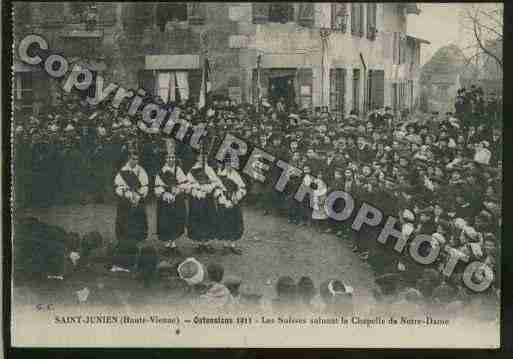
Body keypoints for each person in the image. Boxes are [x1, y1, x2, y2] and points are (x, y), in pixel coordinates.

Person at [112, 150, 149, 272]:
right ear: (128, 159)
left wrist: (138, 195)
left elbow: (145, 185)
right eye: (132, 159)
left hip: (138, 201)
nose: (135, 161)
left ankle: (135, 244)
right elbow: (118, 186)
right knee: (124, 222)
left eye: (137, 159)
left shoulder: (141, 171)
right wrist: (128, 194)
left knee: (137, 222)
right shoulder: (122, 172)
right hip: (125, 202)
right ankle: (123, 244)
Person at [186, 150, 222, 254]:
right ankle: (199, 244)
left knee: (208, 218)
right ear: (197, 158)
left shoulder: (209, 169)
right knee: (197, 218)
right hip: (197, 199)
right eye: (201, 156)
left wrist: (208, 187)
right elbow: (188, 184)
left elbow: (216, 182)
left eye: (205, 157)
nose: (203, 159)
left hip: (207, 199)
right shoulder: (192, 170)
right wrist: (197, 188)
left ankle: (207, 243)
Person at [155, 150, 188, 254]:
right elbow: (158, 186)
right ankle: (167, 244)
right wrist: (165, 194)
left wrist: (178, 190)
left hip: (177, 200)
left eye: (173, 157)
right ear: (165, 159)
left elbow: (185, 184)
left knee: (176, 220)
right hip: (165, 201)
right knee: (166, 220)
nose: (171, 160)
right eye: (169, 158)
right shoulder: (161, 172)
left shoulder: (178, 170)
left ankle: (173, 243)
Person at [214, 154, 246, 255]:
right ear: (224, 163)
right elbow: (216, 189)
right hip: (223, 202)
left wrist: (236, 197)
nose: (229, 165)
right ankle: (225, 246)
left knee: (235, 222)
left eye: (231, 163)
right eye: (227, 163)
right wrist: (224, 201)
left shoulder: (236, 174)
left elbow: (242, 188)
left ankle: (232, 245)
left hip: (234, 201)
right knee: (224, 222)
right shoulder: (220, 175)